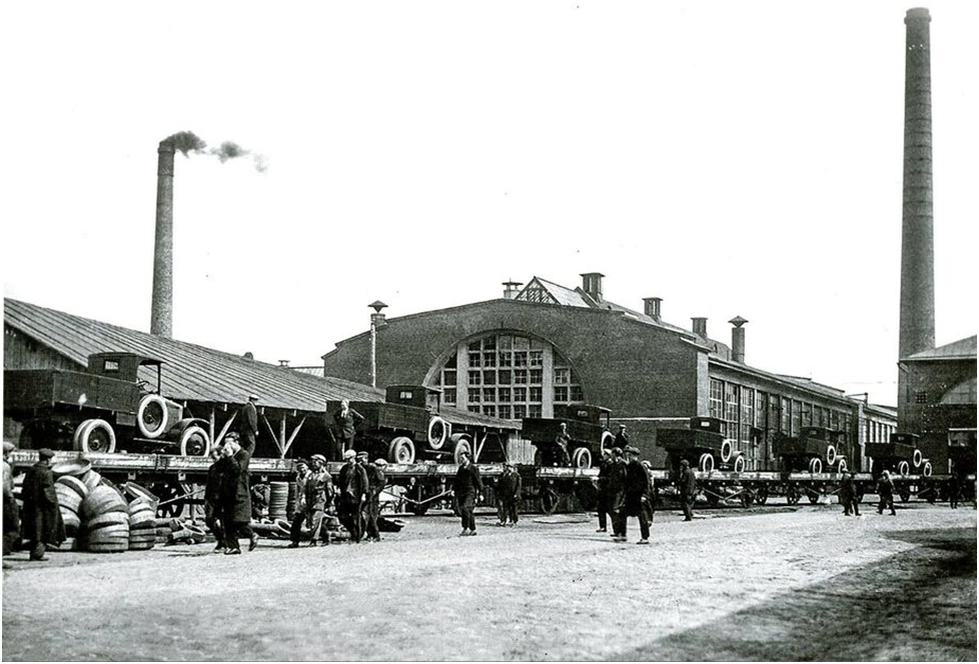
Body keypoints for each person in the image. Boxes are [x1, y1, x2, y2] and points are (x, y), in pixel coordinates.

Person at [20, 448, 64, 561]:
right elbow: (49, 492)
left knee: (35, 530)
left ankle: (33, 553)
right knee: (44, 529)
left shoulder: (31, 470)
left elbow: (24, 487)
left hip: (31, 505)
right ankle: (37, 555)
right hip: (43, 507)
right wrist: (54, 505)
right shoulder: (46, 472)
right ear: (48, 460)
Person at [219, 434, 260, 554]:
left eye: (230, 443)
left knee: (239, 521)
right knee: (227, 522)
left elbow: (238, 470)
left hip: (239, 493)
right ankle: (234, 547)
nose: (227, 446)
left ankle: (252, 535)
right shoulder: (227, 457)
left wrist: (230, 456)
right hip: (228, 492)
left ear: (237, 442)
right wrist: (223, 458)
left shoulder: (244, 455)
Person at [290, 455, 333, 547]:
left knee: (315, 520)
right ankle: (325, 535)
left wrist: (329, 504)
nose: (313, 464)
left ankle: (314, 540)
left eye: (315, 462)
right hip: (307, 501)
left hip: (319, 500)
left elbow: (330, 491)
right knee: (310, 522)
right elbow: (304, 489)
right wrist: (302, 499)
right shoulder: (309, 475)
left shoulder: (325, 476)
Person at [337, 449, 369, 543]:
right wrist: (339, 488)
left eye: (349, 459)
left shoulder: (360, 468)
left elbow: (365, 481)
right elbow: (341, 480)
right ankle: (353, 532)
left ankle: (357, 537)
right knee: (343, 516)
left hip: (356, 496)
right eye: (346, 459)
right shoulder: (344, 468)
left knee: (356, 516)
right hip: (346, 495)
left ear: (353, 458)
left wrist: (364, 494)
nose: (348, 461)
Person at [624, 447, 654, 544]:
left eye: (630, 455)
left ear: (635, 456)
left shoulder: (640, 466)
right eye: (628, 455)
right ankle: (621, 534)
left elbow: (646, 482)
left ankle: (645, 537)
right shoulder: (629, 466)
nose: (628, 456)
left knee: (642, 516)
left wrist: (644, 495)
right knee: (622, 513)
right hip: (631, 495)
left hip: (639, 495)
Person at [453, 451, 483, 536]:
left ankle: (466, 528)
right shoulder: (461, 468)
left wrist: (481, 493)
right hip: (462, 492)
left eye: (463, 458)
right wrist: (453, 490)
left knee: (465, 508)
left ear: (468, 458)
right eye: (460, 458)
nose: (461, 460)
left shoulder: (473, 469)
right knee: (467, 511)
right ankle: (472, 529)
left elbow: (479, 482)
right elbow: (457, 481)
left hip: (470, 492)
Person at [203, 443, 227, 552]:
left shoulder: (226, 467)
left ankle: (223, 543)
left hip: (223, 498)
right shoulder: (212, 468)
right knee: (209, 519)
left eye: (215, 456)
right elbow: (209, 484)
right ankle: (220, 538)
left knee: (223, 521)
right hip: (212, 498)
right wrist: (206, 499)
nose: (214, 459)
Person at [360, 452, 386, 542]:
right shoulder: (360, 468)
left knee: (371, 515)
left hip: (372, 494)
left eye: (362, 459)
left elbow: (382, 482)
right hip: (364, 493)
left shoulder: (373, 469)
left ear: (366, 459)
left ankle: (376, 535)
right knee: (365, 514)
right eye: (359, 460)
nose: (360, 461)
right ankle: (370, 534)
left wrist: (375, 491)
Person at [2, 441, 21, 562]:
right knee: (12, 527)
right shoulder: (5, 466)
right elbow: (5, 486)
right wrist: (11, 499)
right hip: (5, 500)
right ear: (6, 453)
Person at [607, 448, 628, 541]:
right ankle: (616, 531)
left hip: (621, 490)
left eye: (612, 453)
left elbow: (626, 477)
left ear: (616, 454)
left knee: (617, 510)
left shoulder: (623, 464)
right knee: (611, 510)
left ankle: (622, 532)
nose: (611, 455)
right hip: (612, 490)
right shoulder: (613, 465)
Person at [496, 462, 522, 527]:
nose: (508, 468)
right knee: (506, 508)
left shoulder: (516, 475)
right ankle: (505, 521)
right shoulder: (506, 475)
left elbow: (518, 486)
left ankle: (515, 521)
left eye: (510, 467)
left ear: (513, 468)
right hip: (507, 495)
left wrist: (516, 493)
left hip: (514, 495)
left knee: (514, 508)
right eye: (508, 467)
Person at [595, 447, 613, 533]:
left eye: (605, 454)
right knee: (601, 509)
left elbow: (610, 477)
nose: (604, 456)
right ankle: (603, 526)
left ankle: (616, 528)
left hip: (607, 489)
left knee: (610, 510)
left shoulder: (610, 464)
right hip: (602, 489)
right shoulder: (603, 464)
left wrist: (600, 479)